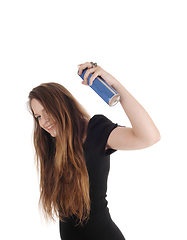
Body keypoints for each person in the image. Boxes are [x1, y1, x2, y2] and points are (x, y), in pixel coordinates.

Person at [28, 62, 161, 240]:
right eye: (38, 116)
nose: (43, 122)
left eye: (47, 111)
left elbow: (149, 137)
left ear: (62, 105)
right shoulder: (51, 145)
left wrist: (114, 84)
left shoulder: (94, 130)